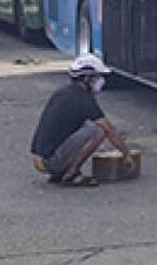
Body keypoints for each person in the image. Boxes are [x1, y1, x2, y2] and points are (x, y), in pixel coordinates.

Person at [29, 53, 135, 187]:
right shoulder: (83, 99)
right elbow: (109, 129)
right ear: (87, 78)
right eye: (97, 77)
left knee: (85, 127)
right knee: (99, 131)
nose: (100, 81)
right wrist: (126, 154)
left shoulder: (63, 92)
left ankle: (60, 171)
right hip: (50, 160)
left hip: (40, 157)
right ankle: (71, 173)